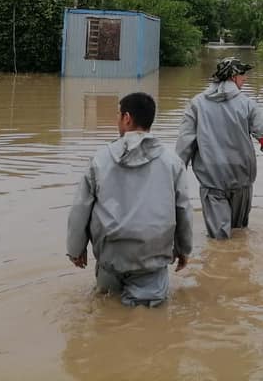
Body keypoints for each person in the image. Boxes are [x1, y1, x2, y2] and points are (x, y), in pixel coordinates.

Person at [66, 92, 192, 308]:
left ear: (126, 118)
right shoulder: (172, 162)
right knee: (148, 325)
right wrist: (184, 249)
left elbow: (81, 208)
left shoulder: (100, 159)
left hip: (110, 259)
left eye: (117, 114)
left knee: (105, 314)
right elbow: (183, 209)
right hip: (151, 263)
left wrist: (76, 249)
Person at [177, 57, 263, 240]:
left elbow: (185, 143)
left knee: (219, 240)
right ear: (233, 76)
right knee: (239, 233)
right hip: (241, 180)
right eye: (243, 74)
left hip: (212, 181)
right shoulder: (248, 104)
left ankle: (219, 266)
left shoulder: (197, 104)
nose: (245, 78)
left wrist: (175, 175)